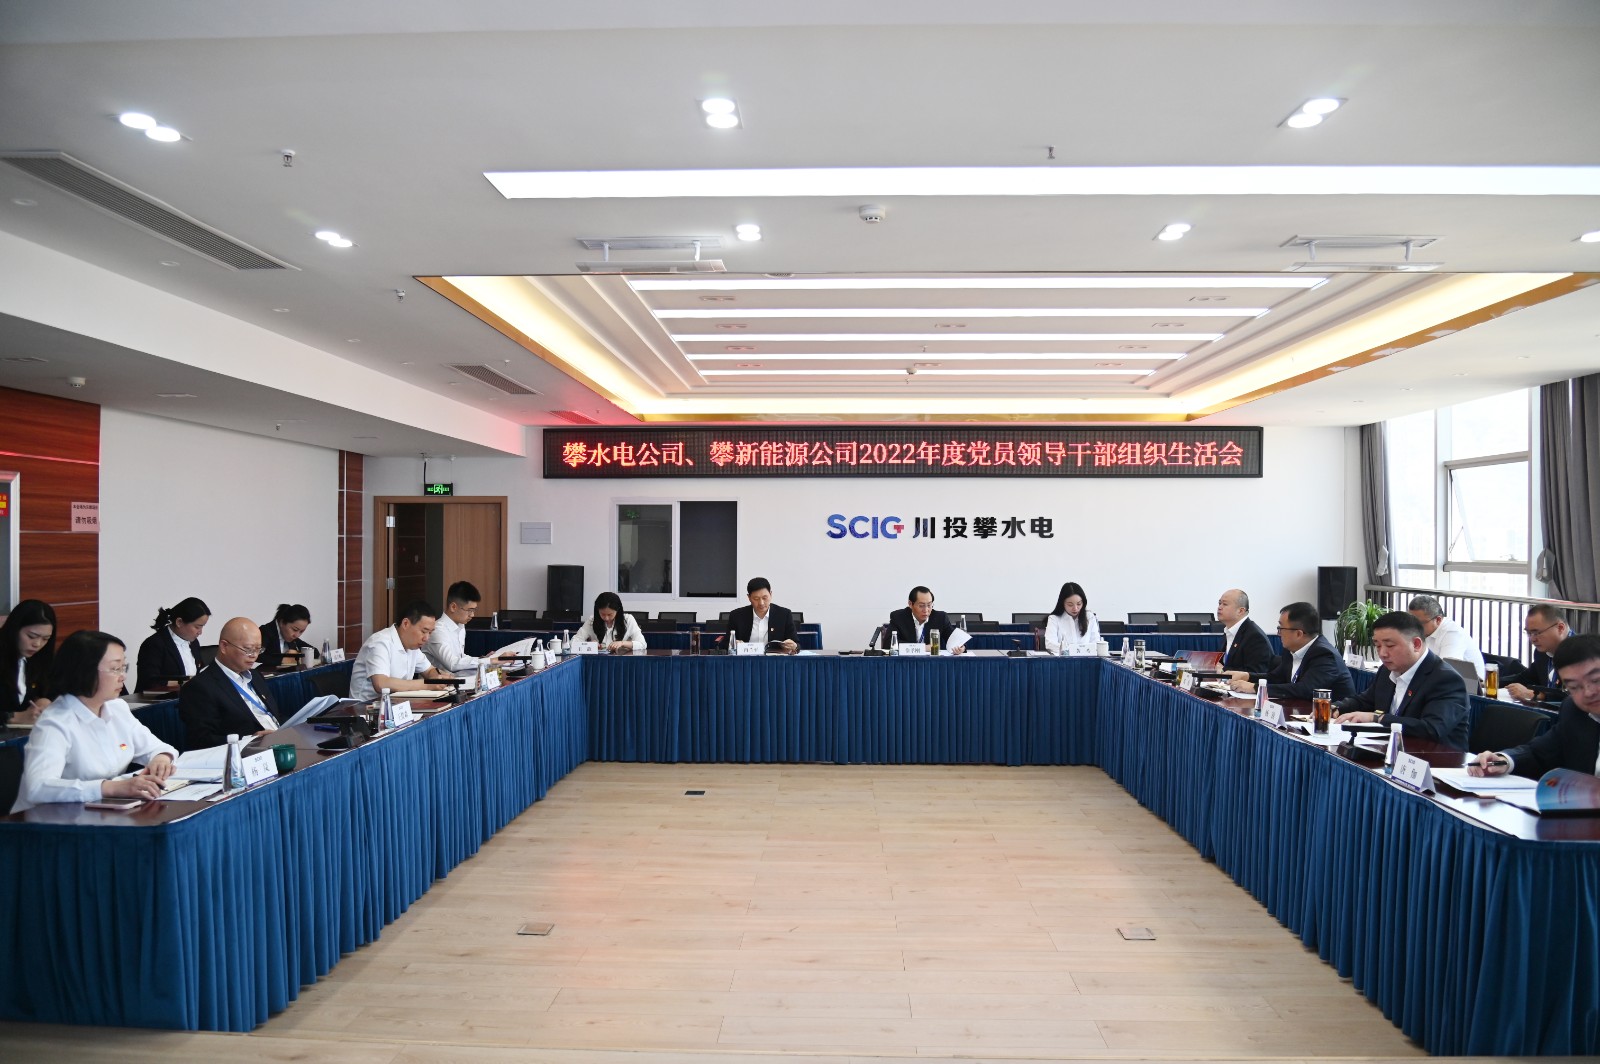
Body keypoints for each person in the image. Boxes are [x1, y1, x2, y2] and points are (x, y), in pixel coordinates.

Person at [14, 630, 176, 812]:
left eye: (124, 667)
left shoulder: (117, 708)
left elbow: (157, 748)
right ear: (85, 671)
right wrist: (110, 788)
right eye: (115, 669)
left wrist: (161, 759)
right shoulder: (55, 722)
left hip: (100, 812)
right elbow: (38, 788)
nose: (123, 676)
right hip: (47, 821)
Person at [1469, 634, 1600, 779]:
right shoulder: (1575, 711)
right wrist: (1503, 761)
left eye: (1596, 680)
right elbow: (1538, 753)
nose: (1588, 692)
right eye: (1574, 687)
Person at [1332, 610, 1469, 748]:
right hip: (1387, 749)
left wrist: (1378, 718)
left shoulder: (1446, 679)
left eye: (1390, 646)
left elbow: (1431, 729)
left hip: (1433, 756)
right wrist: (1337, 707)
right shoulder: (1386, 670)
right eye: (1378, 646)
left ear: (1416, 644)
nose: (1382, 653)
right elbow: (1365, 701)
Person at [179, 617, 282, 750]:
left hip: (279, 743)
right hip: (246, 753)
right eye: (248, 649)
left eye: (258, 649)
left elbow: (272, 715)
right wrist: (248, 740)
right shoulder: (200, 687)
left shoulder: (256, 676)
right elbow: (202, 740)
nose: (254, 655)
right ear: (224, 646)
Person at [1226, 601, 1352, 701]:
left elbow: (1305, 690)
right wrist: (1247, 676)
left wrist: (1255, 688)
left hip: (1334, 719)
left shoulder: (1324, 655)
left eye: (1281, 628)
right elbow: (1276, 678)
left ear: (1298, 634)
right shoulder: (1291, 649)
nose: (1278, 633)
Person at [349, 601, 453, 701]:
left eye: (430, 633)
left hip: (396, 704)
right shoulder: (380, 643)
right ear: (405, 624)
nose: (426, 638)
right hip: (365, 708)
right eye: (423, 631)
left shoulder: (412, 645)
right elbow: (381, 684)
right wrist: (427, 685)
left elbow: (429, 670)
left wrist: (438, 678)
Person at [423, 581, 518, 672]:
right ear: (453, 607)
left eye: (474, 610)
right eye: (469, 610)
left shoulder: (460, 626)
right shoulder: (437, 630)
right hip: (439, 682)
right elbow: (453, 664)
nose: (472, 615)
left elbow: (461, 658)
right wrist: (493, 660)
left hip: (458, 679)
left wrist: (485, 659)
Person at [134, 596, 210, 692]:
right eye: (197, 627)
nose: (200, 632)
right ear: (179, 622)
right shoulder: (154, 644)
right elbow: (149, 683)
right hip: (159, 700)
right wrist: (186, 683)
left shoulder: (194, 643)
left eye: (202, 627)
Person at [0, 599, 56, 728]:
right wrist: (14, 717)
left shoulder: (39, 659)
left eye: (45, 639)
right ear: (14, 629)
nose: (37, 644)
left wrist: (44, 701)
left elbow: (54, 690)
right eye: (31, 636)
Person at [1406, 595, 1486, 682]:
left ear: (1438, 620)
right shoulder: (1421, 630)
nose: (1414, 626)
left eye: (1420, 623)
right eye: (1411, 621)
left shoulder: (1452, 633)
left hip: (1468, 685)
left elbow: (1445, 670)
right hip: (1437, 680)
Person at [1505, 604, 1571, 704]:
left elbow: (1576, 696)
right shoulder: (1541, 653)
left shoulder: (1581, 654)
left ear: (1560, 628)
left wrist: (1536, 695)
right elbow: (1526, 678)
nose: (1532, 639)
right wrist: (1490, 681)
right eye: (1529, 633)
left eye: (1537, 633)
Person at [887, 586, 966, 653]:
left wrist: (962, 647)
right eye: (921, 606)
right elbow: (888, 644)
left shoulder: (940, 618)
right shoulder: (898, 617)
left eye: (929, 605)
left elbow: (955, 639)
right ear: (910, 604)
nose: (926, 610)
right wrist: (923, 648)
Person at [727, 577, 798, 652]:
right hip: (746, 658)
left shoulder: (784, 615)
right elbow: (725, 644)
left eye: (764, 598)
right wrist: (734, 644)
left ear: (770, 594)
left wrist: (794, 646)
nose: (761, 603)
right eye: (756, 599)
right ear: (749, 598)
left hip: (774, 658)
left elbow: (796, 643)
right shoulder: (736, 616)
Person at [1216, 588, 1273, 676]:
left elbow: (1256, 673)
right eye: (1219, 603)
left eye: (1225, 604)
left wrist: (1223, 670)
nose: (1219, 607)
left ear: (1240, 611)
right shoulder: (1228, 631)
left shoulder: (1255, 636)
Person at [576, 591, 647, 653]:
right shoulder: (592, 621)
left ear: (617, 610)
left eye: (610, 614)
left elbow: (642, 644)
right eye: (602, 614)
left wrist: (622, 643)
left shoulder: (628, 620)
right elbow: (574, 642)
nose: (606, 618)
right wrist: (588, 645)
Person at [1043, 581, 1099, 653]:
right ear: (1062, 603)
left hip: (1087, 658)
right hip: (1064, 658)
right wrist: (1072, 650)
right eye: (1070, 605)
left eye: (1079, 604)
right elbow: (1050, 644)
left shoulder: (1090, 617)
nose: (1075, 608)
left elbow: (1096, 643)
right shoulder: (1054, 618)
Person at [258, 603, 313, 670]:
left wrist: (298, 654)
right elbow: (256, 656)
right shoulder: (266, 631)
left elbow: (314, 651)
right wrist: (282, 660)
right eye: (295, 629)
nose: (297, 635)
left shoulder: (291, 636)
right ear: (282, 622)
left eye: (301, 631)